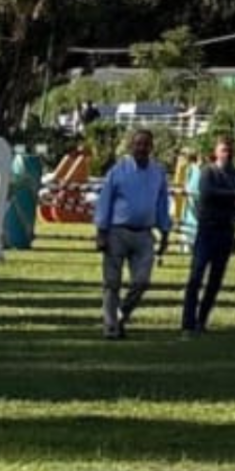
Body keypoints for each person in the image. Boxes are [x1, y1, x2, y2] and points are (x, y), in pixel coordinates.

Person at [94, 128, 172, 339]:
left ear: (151, 147)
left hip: (145, 235)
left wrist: (165, 233)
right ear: (131, 146)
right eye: (138, 144)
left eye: (146, 144)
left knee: (142, 281)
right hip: (117, 231)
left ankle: (122, 314)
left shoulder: (158, 173)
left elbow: (163, 204)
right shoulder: (118, 170)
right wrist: (101, 232)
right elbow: (105, 201)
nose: (142, 148)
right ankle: (110, 327)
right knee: (112, 283)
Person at [181, 134, 235, 336]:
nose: (227, 154)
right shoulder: (207, 172)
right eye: (223, 150)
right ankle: (188, 322)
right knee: (196, 277)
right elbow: (208, 193)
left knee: (215, 280)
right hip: (207, 229)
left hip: (226, 230)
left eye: (230, 151)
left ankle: (202, 320)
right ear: (216, 152)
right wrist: (233, 195)